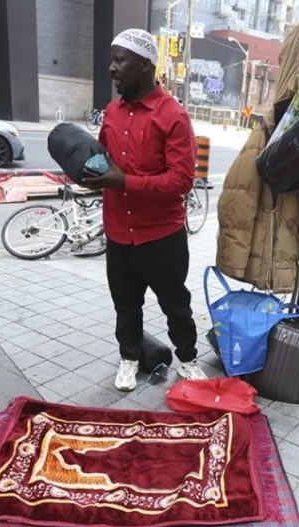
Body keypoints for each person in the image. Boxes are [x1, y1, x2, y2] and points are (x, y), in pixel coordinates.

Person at [82, 28, 207, 391]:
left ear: (145, 64)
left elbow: (180, 182)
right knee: (126, 304)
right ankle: (129, 358)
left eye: (120, 61)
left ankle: (187, 359)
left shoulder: (172, 116)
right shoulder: (112, 113)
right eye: (113, 60)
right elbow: (103, 165)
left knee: (175, 304)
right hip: (119, 231)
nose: (112, 69)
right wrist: (88, 174)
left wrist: (124, 182)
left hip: (161, 234)